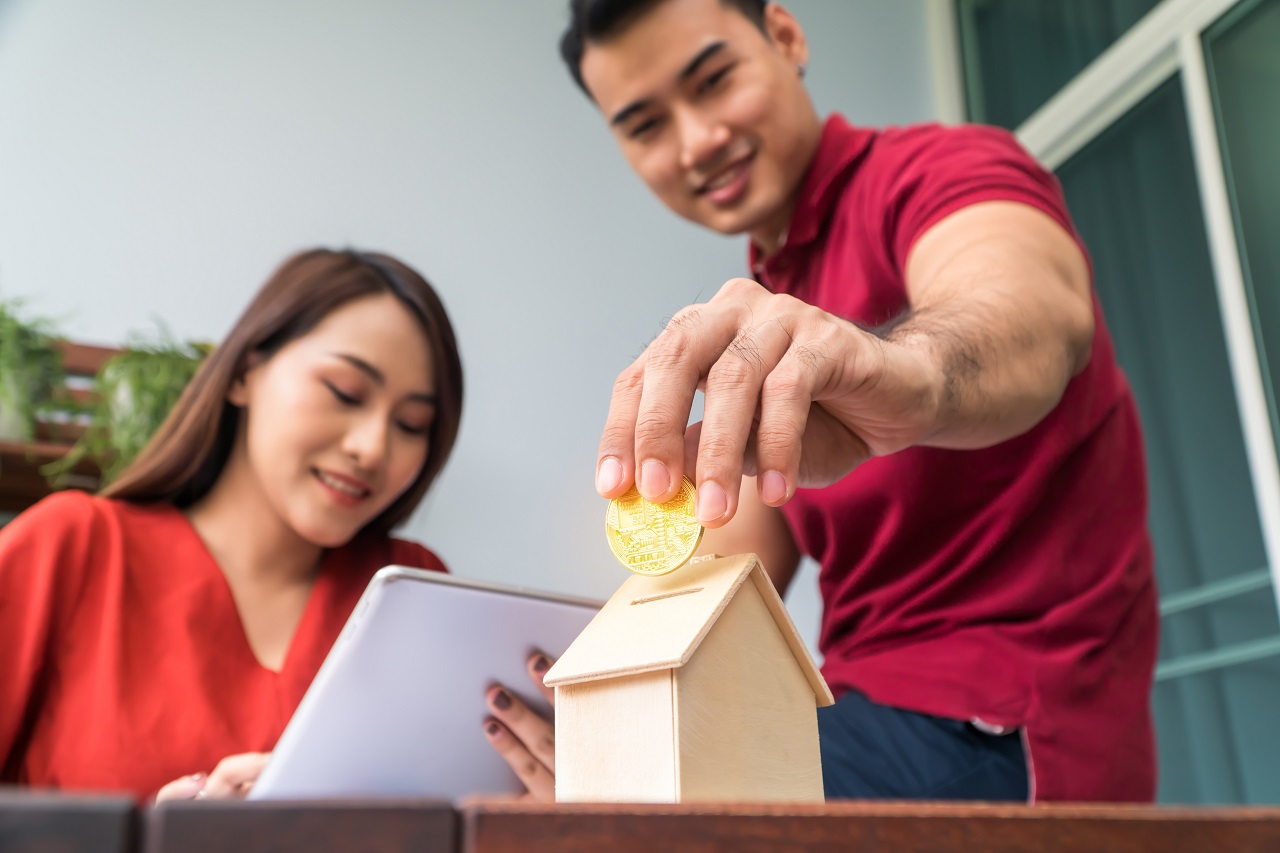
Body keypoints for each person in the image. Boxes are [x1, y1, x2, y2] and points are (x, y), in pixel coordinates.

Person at [484, 0, 1158, 803]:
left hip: (1006, 723)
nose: (696, 140)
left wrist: (904, 377)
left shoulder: (946, 171)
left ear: (786, 35)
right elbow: (720, 569)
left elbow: (1035, 318)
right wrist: (590, 706)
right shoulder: (767, 309)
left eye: (713, 79)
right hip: (853, 710)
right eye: (645, 125)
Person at [0, 248, 464, 802]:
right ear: (245, 372)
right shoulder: (69, 547)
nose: (372, 447)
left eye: (413, 424)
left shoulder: (414, 587)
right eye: (344, 392)